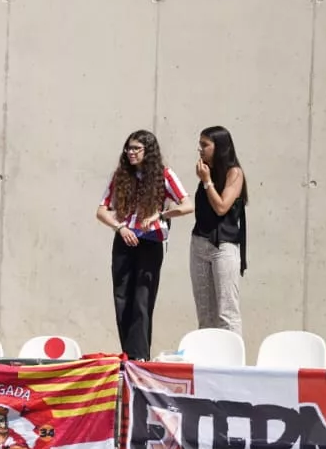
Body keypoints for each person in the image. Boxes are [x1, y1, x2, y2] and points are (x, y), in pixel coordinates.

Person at [95, 130, 193, 360]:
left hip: (150, 241)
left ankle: (140, 356)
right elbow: (101, 211)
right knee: (122, 297)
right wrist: (120, 228)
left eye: (136, 148)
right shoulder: (120, 176)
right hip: (125, 239)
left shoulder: (164, 175)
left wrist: (161, 214)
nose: (130, 153)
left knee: (142, 298)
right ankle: (129, 355)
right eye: (128, 148)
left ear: (148, 151)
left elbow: (187, 205)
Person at [190, 125, 248, 335]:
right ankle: (207, 362)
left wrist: (207, 182)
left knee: (227, 312)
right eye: (200, 144)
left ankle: (232, 363)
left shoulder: (234, 173)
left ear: (219, 146)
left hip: (224, 246)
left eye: (205, 145)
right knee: (205, 314)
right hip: (199, 244)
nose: (200, 149)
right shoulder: (208, 172)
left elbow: (222, 207)